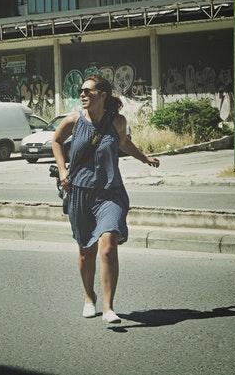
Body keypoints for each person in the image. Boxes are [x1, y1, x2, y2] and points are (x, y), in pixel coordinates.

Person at [51, 75, 160, 323]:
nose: (82, 94)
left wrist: (144, 158)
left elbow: (124, 143)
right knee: (85, 252)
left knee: (109, 246)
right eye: (81, 91)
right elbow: (56, 141)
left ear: (102, 95)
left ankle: (109, 307)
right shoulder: (74, 120)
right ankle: (89, 297)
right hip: (80, 192)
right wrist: (63, 170)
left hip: (111, 192)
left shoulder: (117, 121)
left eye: (88, 91)